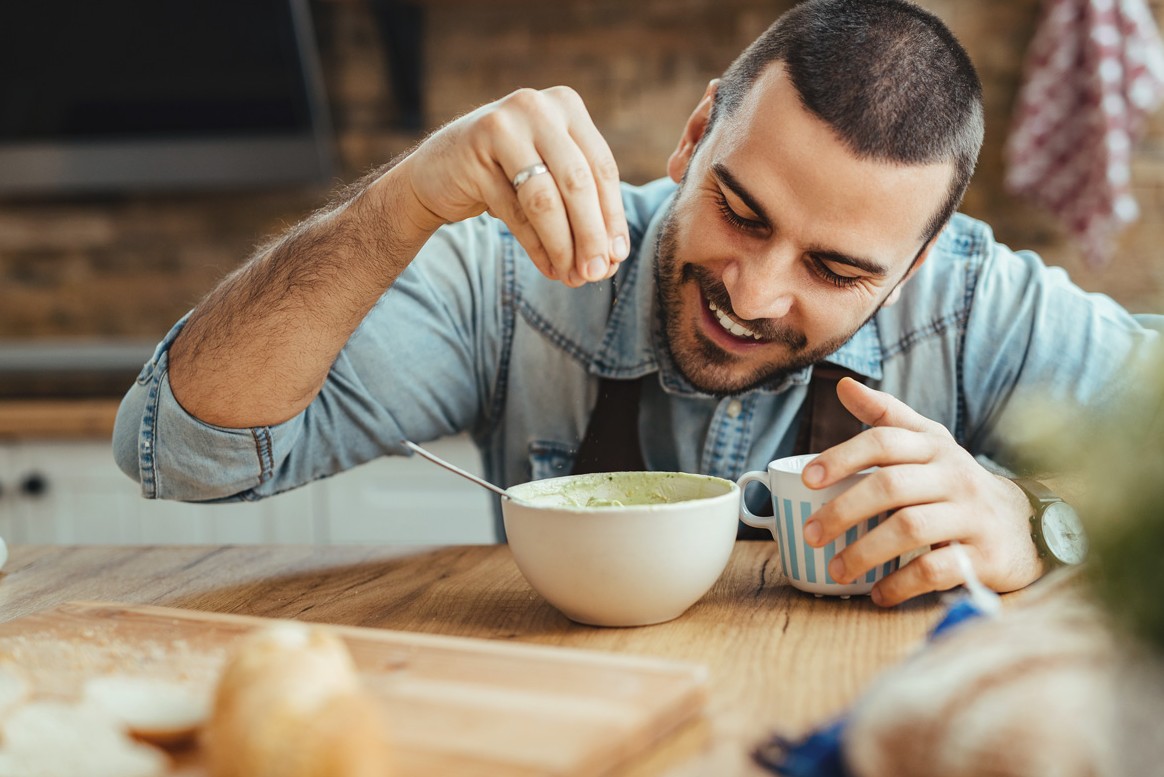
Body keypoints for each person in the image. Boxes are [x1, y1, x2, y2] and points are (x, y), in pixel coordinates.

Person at [113, 0, 1159, 607]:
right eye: (741, 212)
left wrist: (1038, 520)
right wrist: (399, 205)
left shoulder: (982, 303)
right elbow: (184, 456)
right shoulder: (510, 272)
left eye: (836, 272)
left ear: (921, 259)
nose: (754, 295)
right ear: (698, 133)